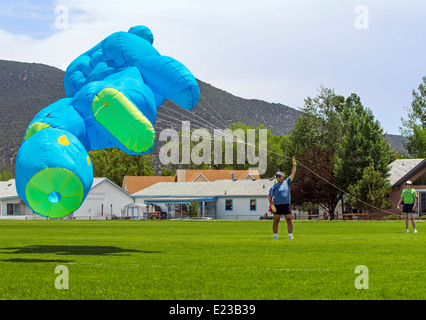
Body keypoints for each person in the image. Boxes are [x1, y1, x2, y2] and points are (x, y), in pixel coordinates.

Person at [269, 156, 297, 239]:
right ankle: (275, 236)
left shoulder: (287, 182)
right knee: (276, 220)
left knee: (289, 219)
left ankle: (290, 235)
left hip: (286, 204)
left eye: (279, 176)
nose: (278, 177)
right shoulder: (273, 187)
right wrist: (272, 205)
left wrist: (294, 164)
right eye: (276, 176)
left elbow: (292, 174)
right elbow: (270, 197)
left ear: (283, 177)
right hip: (277, 205)